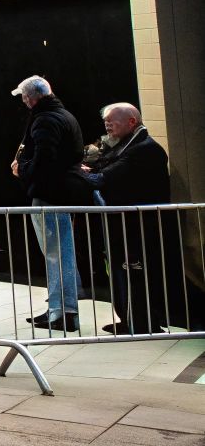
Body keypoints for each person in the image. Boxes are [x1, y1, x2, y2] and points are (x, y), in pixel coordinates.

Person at [84, 103, 174, 334]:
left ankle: (141, 323)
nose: (107, 126)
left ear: (131, 121)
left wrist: (81, 173)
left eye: (112, 122)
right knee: (121, 274)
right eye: (106, 122)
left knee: (135, 275)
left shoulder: (144, 149)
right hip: (123, 225)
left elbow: (104, 178)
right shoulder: (127, 146)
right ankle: (130, 320)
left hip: (137, 227)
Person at [11, 75, 90, 331]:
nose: (23, 102)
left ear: (30, 97)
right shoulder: (63, 115)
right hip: (61, 192)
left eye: (23, 97)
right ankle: (60, 308)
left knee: (56, 253)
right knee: (59, 252)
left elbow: (45, 161)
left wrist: (21, 169)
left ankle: (62, 312)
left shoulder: (45, 120)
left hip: (50, 194)